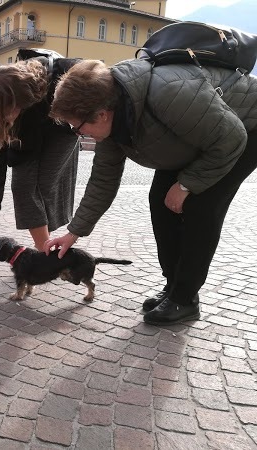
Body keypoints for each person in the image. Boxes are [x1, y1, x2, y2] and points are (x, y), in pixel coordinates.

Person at [45, 59, 257, 325]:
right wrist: (73, 233)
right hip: (191, 136)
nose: (78, 134)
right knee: (160, 200)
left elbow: (231, 138)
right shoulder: (113, 123)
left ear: (101, 114)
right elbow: (102, 181)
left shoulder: (170, 93)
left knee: (202, 206)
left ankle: (185, 299)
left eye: (77, 127)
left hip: (243, 130)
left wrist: (186, 185)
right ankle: (173, 287)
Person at [0, 57, 80, 252]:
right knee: (22, 186)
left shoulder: (61, 77)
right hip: (27, 138)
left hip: (61, 127)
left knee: (44, 185)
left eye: (5, 113)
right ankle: (45, 252)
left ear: (18, 104)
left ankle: (45, 250)